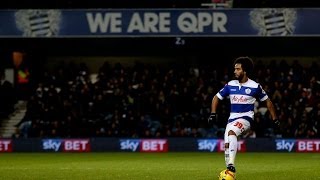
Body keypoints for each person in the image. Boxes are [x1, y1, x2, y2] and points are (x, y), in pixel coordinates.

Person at [208, 56, 280, 175]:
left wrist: (275, 118)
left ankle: (231, 165)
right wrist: (213, 113)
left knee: (232, 133)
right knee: (226, 147)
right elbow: (216, 97)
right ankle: (230, 173)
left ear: (245, 71)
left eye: (238, 69)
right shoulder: (230, 85)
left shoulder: (255, 86)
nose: (235, 71)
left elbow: (268, 101)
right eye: (235, 69)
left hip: (246, 118)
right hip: (231, 119)